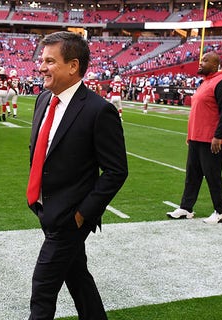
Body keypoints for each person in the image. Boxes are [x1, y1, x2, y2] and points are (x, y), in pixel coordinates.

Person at [26, 31, 128, 320]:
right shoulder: (44, 99)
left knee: (43, 289)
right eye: (41, 60)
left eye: (49, 61)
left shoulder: (99, 110)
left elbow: (117, 170)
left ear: (73, 66)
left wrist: (83, 213)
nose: (41, 66)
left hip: (70, 217)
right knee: (77, 277)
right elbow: (40, 151)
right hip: (45, 207)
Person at [166, 51, 222, 224]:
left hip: (211, 139)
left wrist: (218, 136)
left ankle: (221, 211)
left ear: (215, 64)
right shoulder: (205, 82)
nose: (200, 62)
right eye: (201, 59)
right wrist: (191, 135)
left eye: (205, 60)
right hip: (197, 137)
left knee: (212, 175)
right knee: (192, 174)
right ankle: (186, 207)